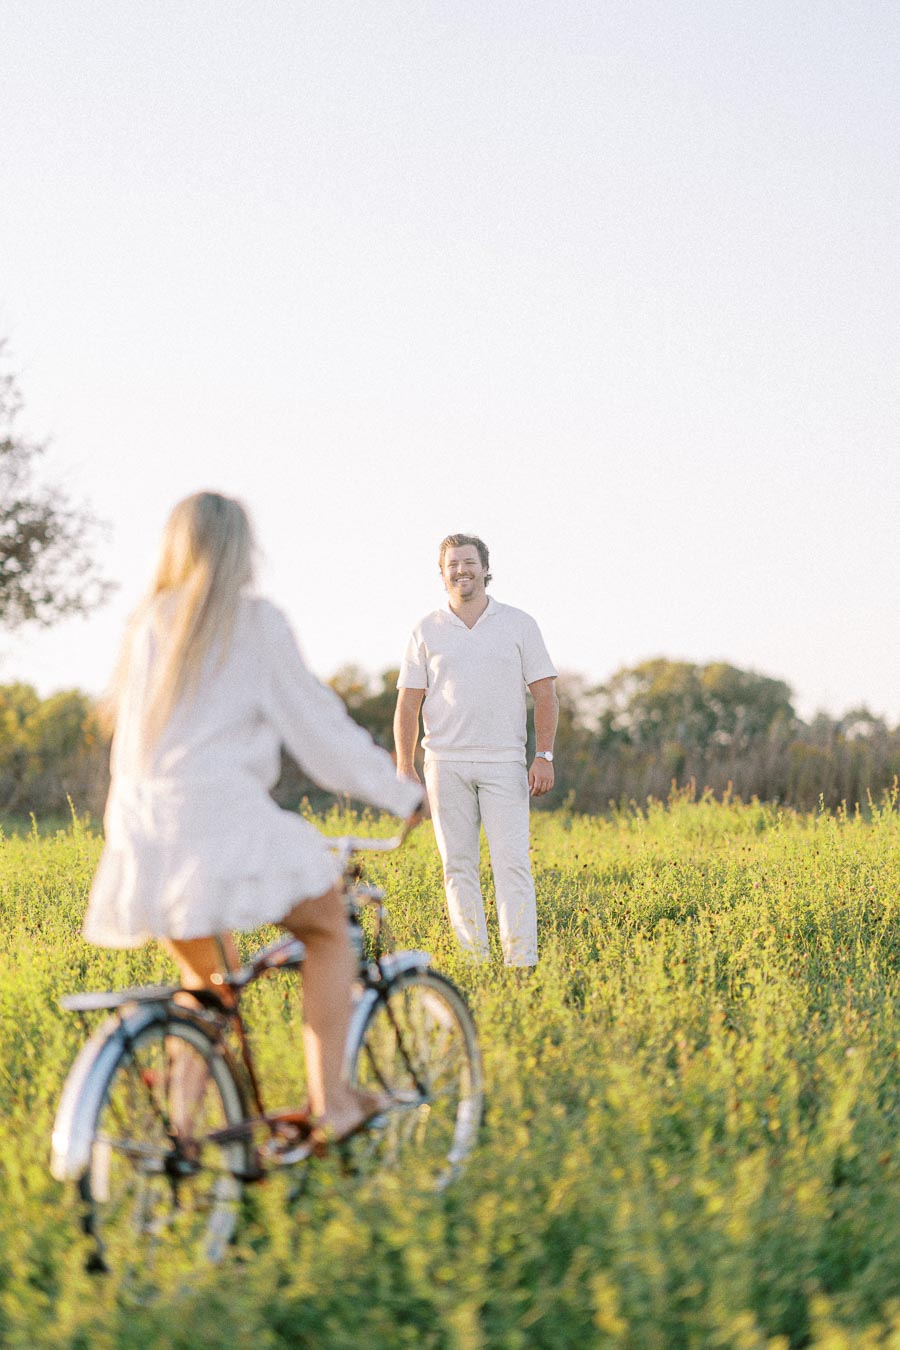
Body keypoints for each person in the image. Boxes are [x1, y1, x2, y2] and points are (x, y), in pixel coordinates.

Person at [83, 491, 423, 1144]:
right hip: (219, 819)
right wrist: (401, 794)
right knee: (327, 932)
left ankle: (178, 1140)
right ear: (243, 550)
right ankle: (333, 1105)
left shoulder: (148, 623)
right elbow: (320, 733)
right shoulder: (253, 622)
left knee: (206, 986)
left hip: (140, 828)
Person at [393, 533, 558, 967]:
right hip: (443, 764)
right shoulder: (425, 629)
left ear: (485, 568)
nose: (461, 571)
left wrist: (544, 756)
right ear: (442, 573)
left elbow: (545, 694)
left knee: (512, 866)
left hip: (504, 763)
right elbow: (408, 702)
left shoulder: (519, 623)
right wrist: (405, 767)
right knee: (457, 868)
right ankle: (475, 963)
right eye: (453, 564)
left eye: (469, 562)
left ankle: (521, 963)